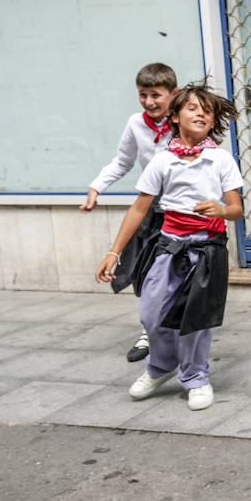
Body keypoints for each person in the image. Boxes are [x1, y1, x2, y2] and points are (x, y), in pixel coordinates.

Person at [96, 83, 242, 412]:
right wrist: (113, 252)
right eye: (192, 108)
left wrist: (221, 210)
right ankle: (161, 367)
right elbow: (138, 209)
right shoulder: (163, 161)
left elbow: (236, 208)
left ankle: (196, 377)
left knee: (195, 320)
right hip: (169, 248)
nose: (201, 113)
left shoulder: (219, 159)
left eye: (207, 110)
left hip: (206, 250)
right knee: (151, 313)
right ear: (175, 117)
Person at [81, 62, 178, 363]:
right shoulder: (136, 123)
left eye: (156, 95)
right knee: (145, 273)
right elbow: (122, 161)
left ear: (173, 94)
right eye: (143, 95)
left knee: (175, 274)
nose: (149, 102)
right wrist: (97, 186)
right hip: (150, 208)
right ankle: (149, 331)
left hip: (181, 209)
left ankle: (179, 330)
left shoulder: (183, 121)